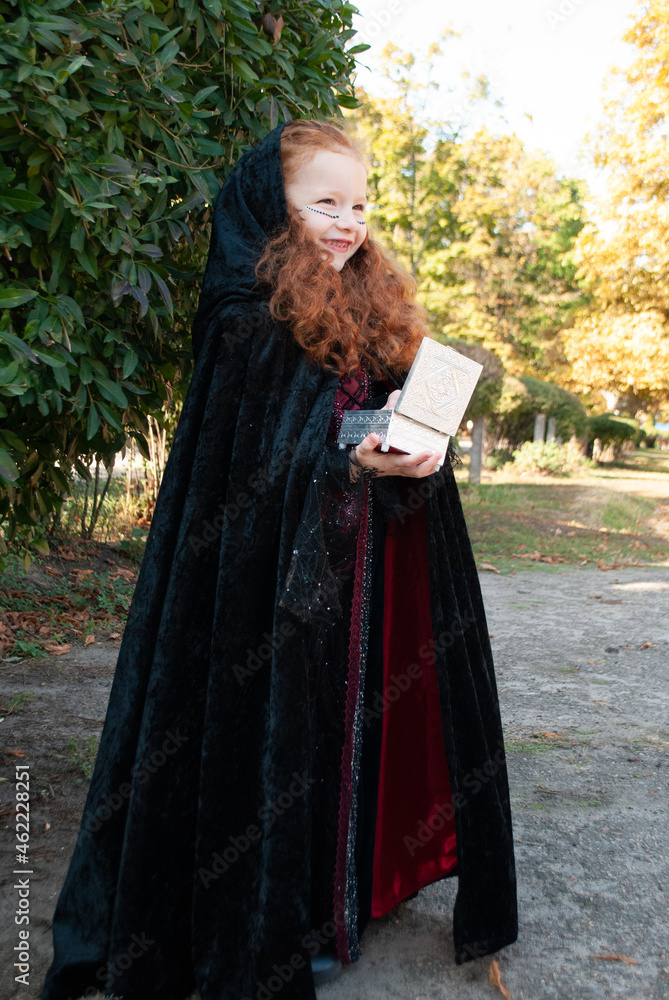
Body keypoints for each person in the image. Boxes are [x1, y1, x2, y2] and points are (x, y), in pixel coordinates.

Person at [41, 119, 517, 1000]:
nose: (347, 223)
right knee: (280, 739)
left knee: (349, 729)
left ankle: (340, 899)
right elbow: (259, 463)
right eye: (323, 203)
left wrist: (416, 444)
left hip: (360, 572)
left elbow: (352, 421)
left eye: (359, 205)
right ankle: (273, 921)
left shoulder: (368, 309)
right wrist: (346, 456)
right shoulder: (241, 320)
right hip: (260, 590)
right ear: (272, 206)